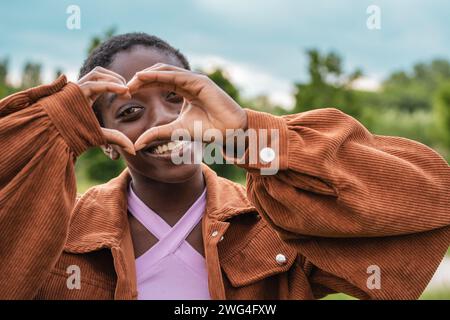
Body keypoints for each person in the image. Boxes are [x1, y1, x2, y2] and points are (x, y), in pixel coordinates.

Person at [0, 33, 449, 300]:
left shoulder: (274, 222)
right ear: (104, 142)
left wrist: (249, 135)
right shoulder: (56, 235)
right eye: (129, 114)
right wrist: (54, 122)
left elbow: (433, 201)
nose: (164, 120)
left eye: (179, 99)